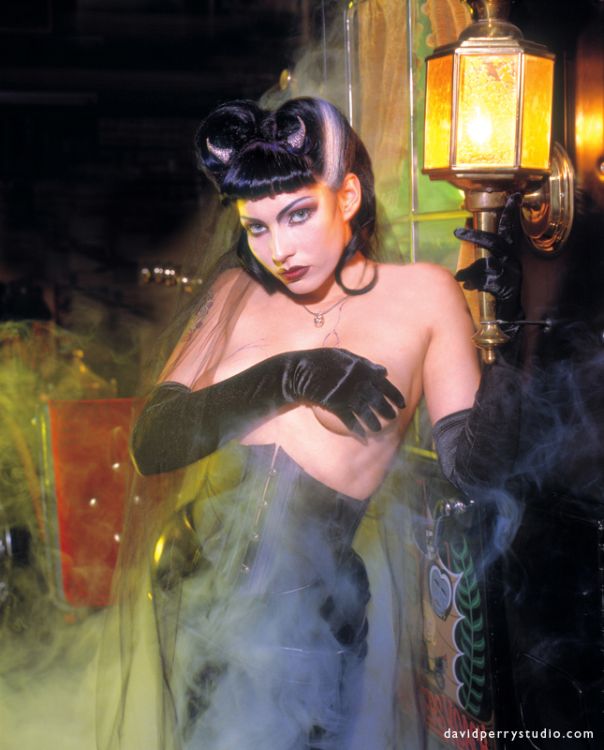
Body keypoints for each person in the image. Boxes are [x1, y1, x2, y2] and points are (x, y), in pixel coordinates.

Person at [100, 97, 521, 750]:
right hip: (191, 585)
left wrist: (513, 338)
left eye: (298, 214)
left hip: (311, 620)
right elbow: (153, 442)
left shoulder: (424, 295)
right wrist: (289, 376)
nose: (279, 249)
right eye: (257, 226)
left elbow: (472, 468)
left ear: (347, 195)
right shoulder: (237, 290)